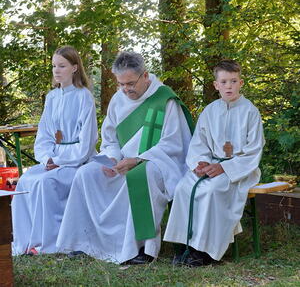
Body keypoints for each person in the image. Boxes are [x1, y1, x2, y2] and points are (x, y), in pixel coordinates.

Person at [56, 51, 193, 264]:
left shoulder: (165, 100)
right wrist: (111, 158)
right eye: (121, 84)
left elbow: (174, 144)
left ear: (145, 76)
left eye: (130, 83)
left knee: (141, 175)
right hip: (121, 163)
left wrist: (138, 160)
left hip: (158, 163)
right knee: (85, 173)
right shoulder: (118, 100)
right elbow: (110, 139)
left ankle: (140, 250)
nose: (126, 89)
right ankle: (85, 242)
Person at [164, 59, 265, 266]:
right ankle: (184, 246)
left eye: (233, 81)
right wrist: (200, 163)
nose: (229, 86)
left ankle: (205, 251)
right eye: (224, 81)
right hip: (210, 166)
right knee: (183, 187)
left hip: (238, 170)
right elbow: (198, 143)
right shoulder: (210, 111)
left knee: (211, 192)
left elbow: (253, 151)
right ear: (215, 85)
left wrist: (224, 167)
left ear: (241, 83)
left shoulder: (250, 112)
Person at [12, 45, 98, 255]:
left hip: (78, 161)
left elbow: (87, 142)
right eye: (54, 66)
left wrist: (62, 160)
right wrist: (47, 158)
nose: (56, 70)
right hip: (54, 159)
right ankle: (24, 241)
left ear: (75, 67)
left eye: (62, 66)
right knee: (25, 180)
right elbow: (45, 136)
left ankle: (48, 243)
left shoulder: (83, 96)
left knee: (45, 182)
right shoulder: (52, 97)